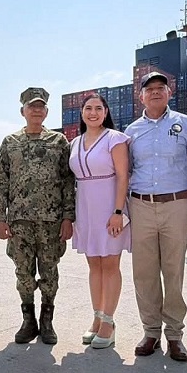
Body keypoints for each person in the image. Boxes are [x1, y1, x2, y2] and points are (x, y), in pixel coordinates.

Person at [125, 72, 187, 361]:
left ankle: (175, 336)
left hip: (176, 205)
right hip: (141, 206)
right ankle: (151, 331)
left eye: (161, 88)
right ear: (141, 96)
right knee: (144, 273)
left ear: (170, 93)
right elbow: (127, 170)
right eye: (150, 89)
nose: (155, 92)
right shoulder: (131, 131)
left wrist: (180, 193)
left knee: (174, 271)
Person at [0, 87, 75, 345]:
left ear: (46, 111)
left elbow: (67, 182)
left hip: (51, 222)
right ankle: (28, 320)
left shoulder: (59, 142)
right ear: (23, 111)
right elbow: (0, 183)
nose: (36, 110)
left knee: (50, 271)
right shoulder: (10, 143)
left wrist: (67, 217)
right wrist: (0, 218)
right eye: (32, 106)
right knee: (23, 271)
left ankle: (47, 321)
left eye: (40, 106)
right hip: (20, 222)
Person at [69, 93, 131, 349]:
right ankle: (96, 317)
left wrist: (117, 212)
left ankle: (109, 321)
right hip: (85, 208)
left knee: (110, 263)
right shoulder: (74, 142)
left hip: (109, 207)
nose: (92, 113)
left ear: (105, 112)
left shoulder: (115, 139)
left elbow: (123, 176)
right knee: (93, 264)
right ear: (82, 113)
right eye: (88, 108)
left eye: (98, 108)